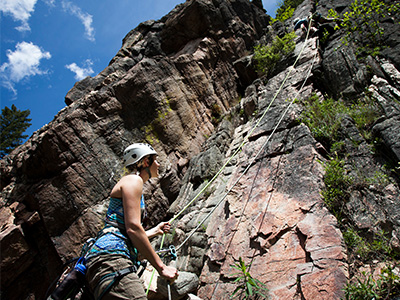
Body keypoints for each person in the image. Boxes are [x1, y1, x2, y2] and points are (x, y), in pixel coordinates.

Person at [84, 143, 178, 300]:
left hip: (108, 259)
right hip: (112, 259)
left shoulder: (133, 183)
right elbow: (133, 228)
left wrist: (156, 230)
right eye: (155, 160)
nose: (158, 164)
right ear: (146, 162)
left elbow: (126, 230)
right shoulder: (134, 180)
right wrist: (161, 268)